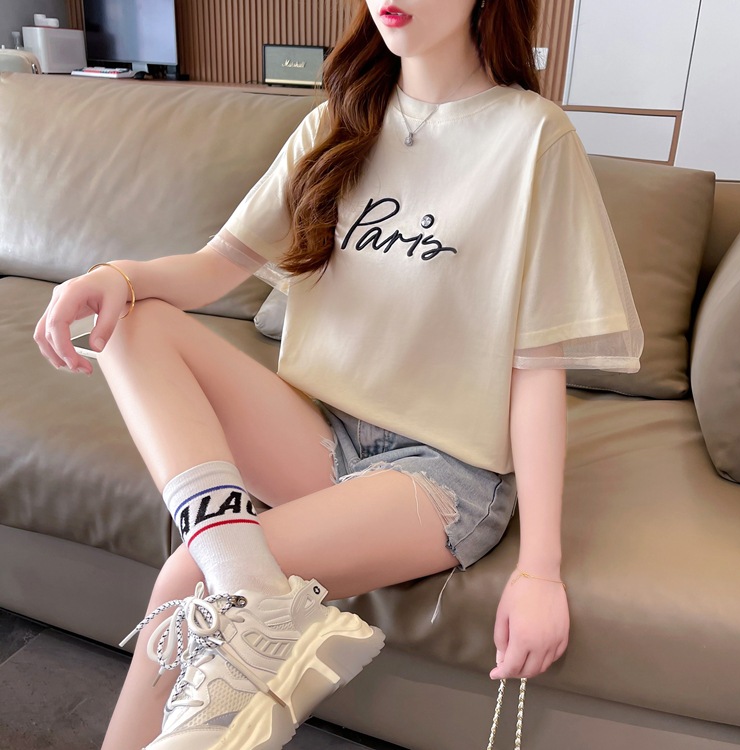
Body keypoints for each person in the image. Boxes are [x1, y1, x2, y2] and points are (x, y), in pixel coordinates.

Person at [34, 1, 643, 748]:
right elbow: (217, 266)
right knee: (135, 316)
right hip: (321, 432)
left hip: (442, 471)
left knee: (188, 575)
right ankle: (247, 581)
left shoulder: (533, 137)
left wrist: (540, 569)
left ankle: (235, 582)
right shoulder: (338, 119)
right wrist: (115, 275)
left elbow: (537, 368)